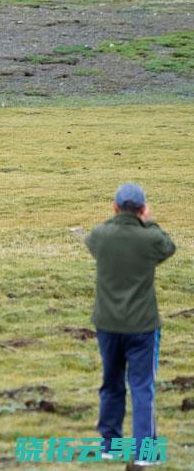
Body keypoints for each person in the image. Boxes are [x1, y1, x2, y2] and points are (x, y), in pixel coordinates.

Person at [86, 183, 175, 465]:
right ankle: (145, 451)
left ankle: (109, 444)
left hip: (108, 324)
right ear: (142, 209)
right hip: (143, 326)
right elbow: (167, 245)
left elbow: (94, 237)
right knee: (141, 387)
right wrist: (148, 223)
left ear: (114, 208)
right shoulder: (149, 240)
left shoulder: (100, 236)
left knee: (111, 384)